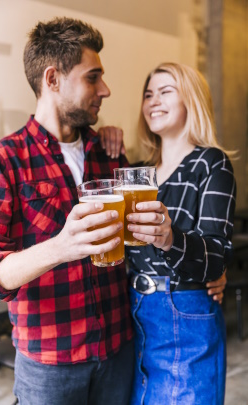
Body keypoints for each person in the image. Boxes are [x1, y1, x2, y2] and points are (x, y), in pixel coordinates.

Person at [0, 17, 135, 405]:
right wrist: (61, 248)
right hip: (50, 364)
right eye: (93, 77)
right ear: (52, 79)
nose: (106, 89)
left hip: (120, 348)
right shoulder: (3, 159)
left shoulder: (109, 152)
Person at [98, 62, 236, 404]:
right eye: (148, 94)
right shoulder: (136, 173)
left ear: (191, 99)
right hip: (134, 310)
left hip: (185, 311)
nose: (152, 101)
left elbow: (216, 256)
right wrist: (103, 135)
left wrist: (170, 239)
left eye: (165, 91)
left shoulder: (211, 163)